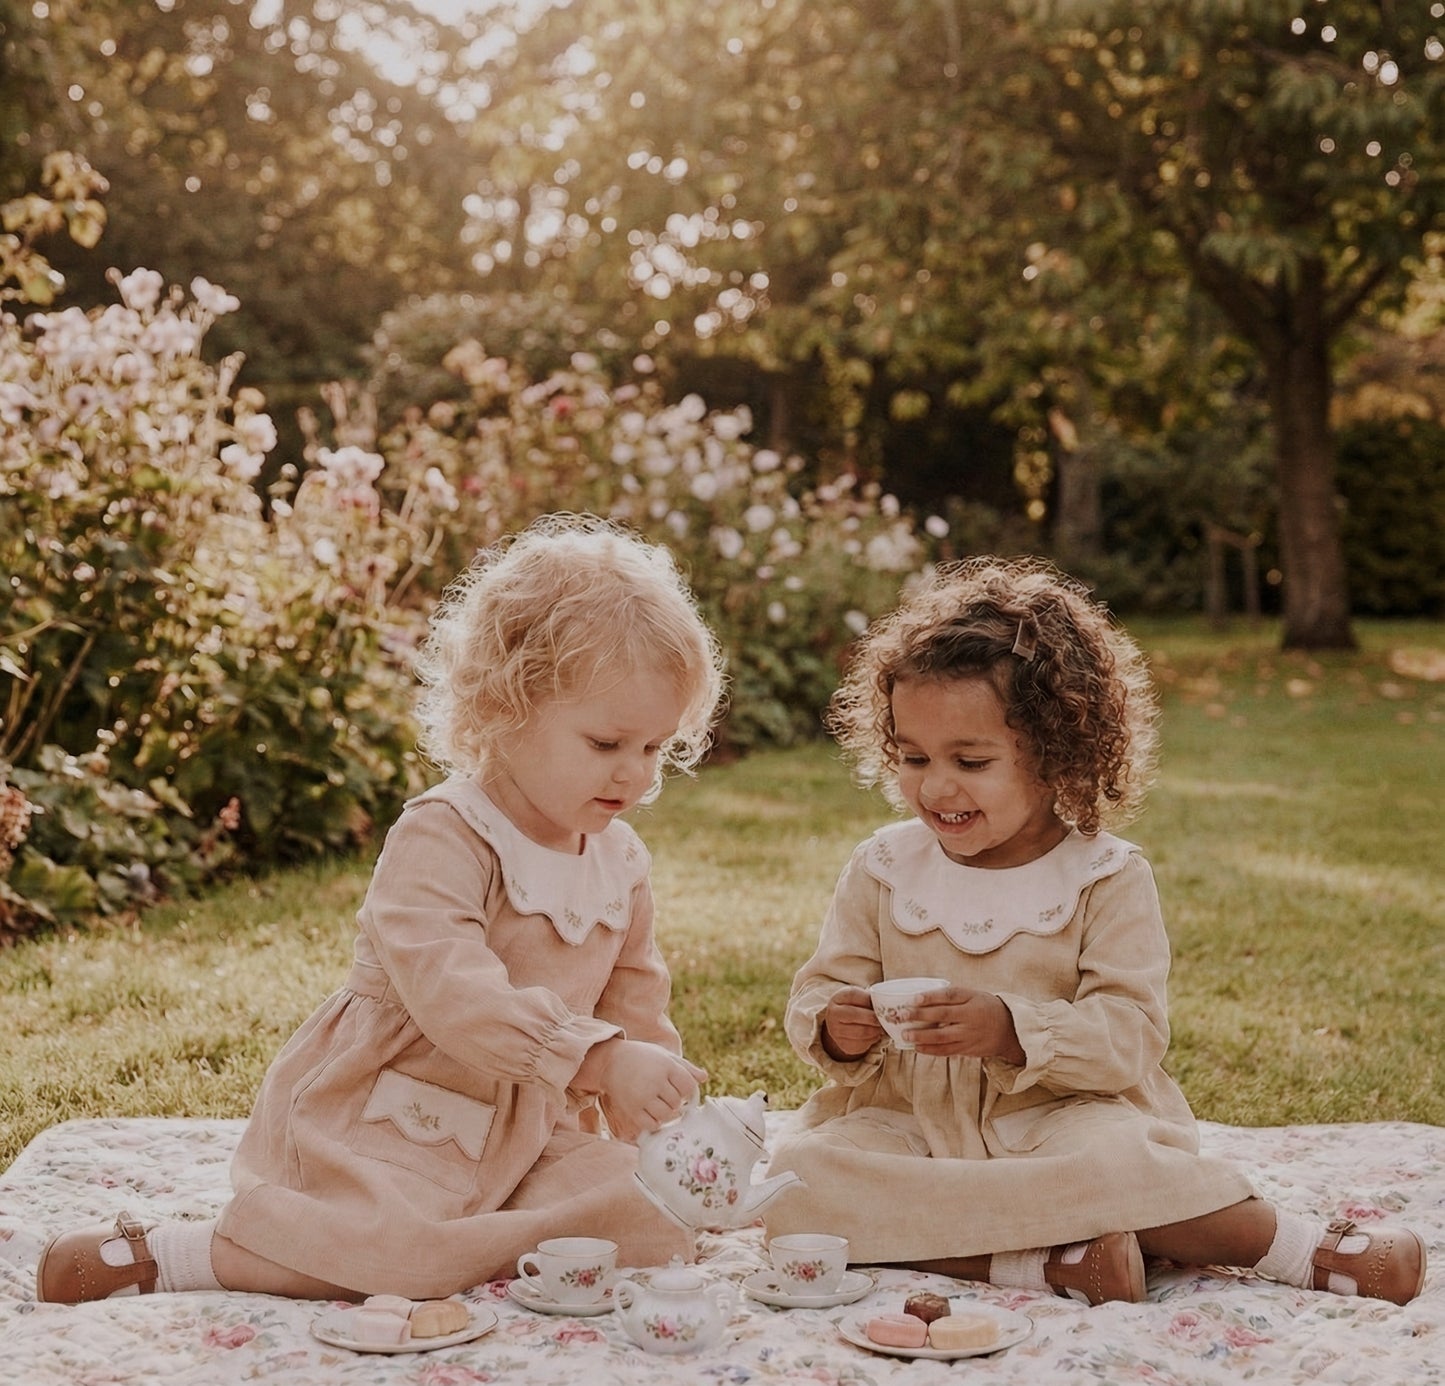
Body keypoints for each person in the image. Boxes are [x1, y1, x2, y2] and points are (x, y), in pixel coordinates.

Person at [36, 513, 727, 1304]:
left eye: (653, 748)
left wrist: (652, 1106)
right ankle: (181, 1255)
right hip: (402, 1112)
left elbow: (634, 1000)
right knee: (398, 1252)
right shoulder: (447, 832)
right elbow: (452, 991)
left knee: (659, 1217)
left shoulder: (618, 859)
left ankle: (472, 1249)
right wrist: (597, 1061)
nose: (634, 775)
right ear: (508, 706)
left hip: (530, 1131)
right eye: (606, 744)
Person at [761, 555, 1426, 1307]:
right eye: (912, 757)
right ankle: (1049, 1262)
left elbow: (1129, 1033)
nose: (935, 785)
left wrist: (1011, 1029)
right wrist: (837, 1026)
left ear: (1054, 756)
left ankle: (1294, 1250)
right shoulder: (882, 867)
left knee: (1117, 1163)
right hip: (904, 1123)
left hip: (1058, 1120)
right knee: (797, 1186)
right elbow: (819, 991)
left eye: (970, 760)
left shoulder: (1102, 877)